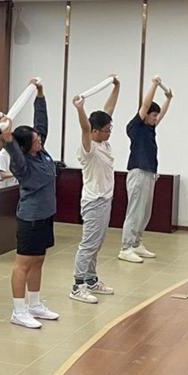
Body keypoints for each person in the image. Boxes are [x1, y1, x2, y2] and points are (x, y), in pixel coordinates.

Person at [0, 79, 60, 329]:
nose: (40, 141)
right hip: (30, 218)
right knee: (23, 264)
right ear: (25, 146)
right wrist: (6, 135)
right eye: (35, 140)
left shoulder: (41, 153)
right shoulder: (22, 164)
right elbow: (12, 149)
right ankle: (19, 310)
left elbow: (41, 124)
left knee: (39, 260)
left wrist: (40, 95)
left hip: (46, 215)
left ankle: (34, 304)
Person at [69, 76, 120, 303]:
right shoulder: (88, 148)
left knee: (97, 243)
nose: (110, 132)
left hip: (105, 200)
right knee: (88, 245)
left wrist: (116, 87)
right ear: (95, 131)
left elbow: (108, 110)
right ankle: (77, 285)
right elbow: (84, 127)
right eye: (107, 130)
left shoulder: (103, 142)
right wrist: (80, 108)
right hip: (94, 201)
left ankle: (90, 279)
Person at [121, 77, 172, 262]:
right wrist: (155, 85)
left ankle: (136, 243)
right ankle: (126, 247)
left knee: (145, 213)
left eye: (156, 115)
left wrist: (168, 99)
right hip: (138, 172)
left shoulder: (150, 128)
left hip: (150, 173)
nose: (156, 118)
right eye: (153, 115)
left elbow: (161, 114)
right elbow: (145, 105)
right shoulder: (136, 127)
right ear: (146, 115)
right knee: (135, 211)